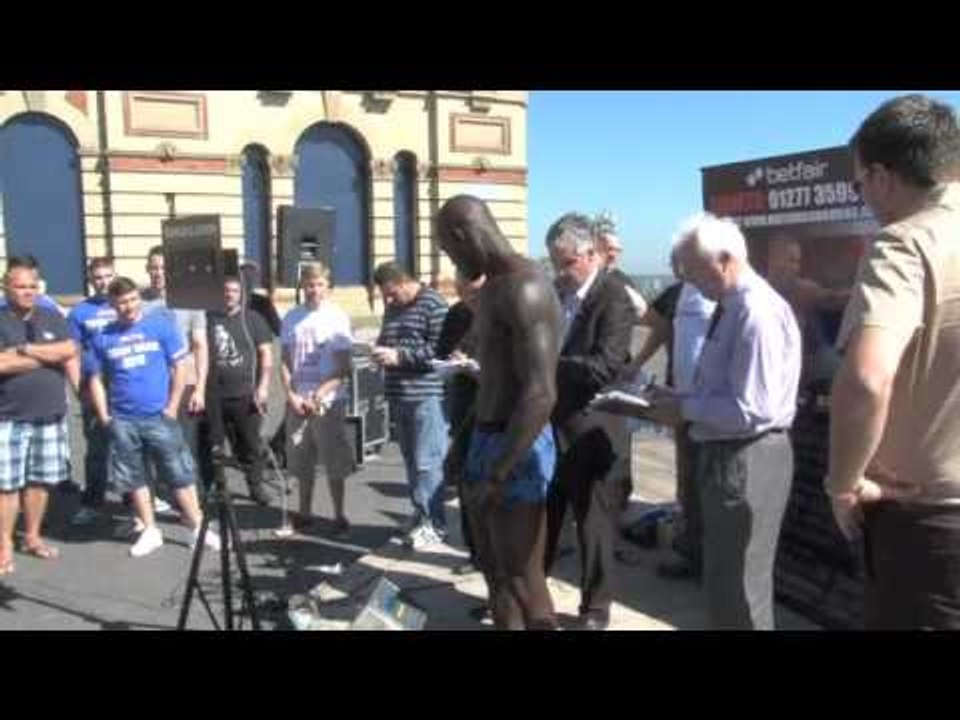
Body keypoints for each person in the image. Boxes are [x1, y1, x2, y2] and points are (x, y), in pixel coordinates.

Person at [828, 94, 960, 629]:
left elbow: (866, 377)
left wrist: (842, 483)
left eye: (859, 184)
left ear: (882, 176)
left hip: (931, 532)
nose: (864, 198)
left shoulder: (905, 244)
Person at [647, 213, 801, 630]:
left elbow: (754, 408)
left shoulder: (755, 311)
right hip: (729, 453)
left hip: (747, 456)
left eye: (694, 272)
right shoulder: (732, 305)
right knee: (722, 580)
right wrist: (679, 398)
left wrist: (686, 410)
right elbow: (726, 390)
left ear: (726, 259)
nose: (690, 283)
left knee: (739, 588)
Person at [437, 195, 563, 630]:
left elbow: (540, 393)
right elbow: (493, 381)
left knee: (523, 577)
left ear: (461, 235)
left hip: (518, 446)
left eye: (448, 249)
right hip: (486, 439)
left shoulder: (526, 287)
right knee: (495, 576)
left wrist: (498, 471)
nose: (450, 258)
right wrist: (464, 441)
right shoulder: (491, 289)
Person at [542, 212, 635, 631]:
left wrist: (546, 364)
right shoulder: (556, 293)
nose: (561, 271)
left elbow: (606, 366)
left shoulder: (614, 296)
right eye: (555, 263)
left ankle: (595, 609)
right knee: (543, 517)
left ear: (591, 253)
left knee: (592, 526)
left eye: (566, 262)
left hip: (592, 429)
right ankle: (532, 595)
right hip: (550, 425)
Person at [88, 277, 220, 558]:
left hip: (160, 416)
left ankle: (197, 527)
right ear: (112, 304)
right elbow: (96, 379)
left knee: (179, 472)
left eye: (133, 300)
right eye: (122, 302)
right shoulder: (104, 337)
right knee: (134, 476)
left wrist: (172, 406)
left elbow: (180, 364)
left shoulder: (160, 325)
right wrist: (104, 416)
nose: (129, 307)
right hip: (123, 420)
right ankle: (150, 530)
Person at [625, 246, 716, 580]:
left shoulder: (717, 292)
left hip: (713, 404)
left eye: (679, 260)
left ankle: (708, 558)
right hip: (681, 401)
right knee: (688, 481)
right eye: (673, 261)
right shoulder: (677, 293)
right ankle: (692, 554)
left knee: (709, 486)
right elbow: (656, 327)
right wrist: (636, 363)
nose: (675, 266)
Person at [0, 261, 77, 575]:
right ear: (6, 287)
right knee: (6, 486)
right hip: (8, 417)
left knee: (39, 481)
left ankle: (32, 536)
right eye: (20, 286)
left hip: (49, 414)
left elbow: (69, 349)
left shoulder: (51, 315)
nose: (28, 291)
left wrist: (25, 349)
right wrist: (47, 356)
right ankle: (4, 544)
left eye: (32, 285)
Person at [371, 262, 449, 549]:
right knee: (411, 462)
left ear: (404, 282)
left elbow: (440, 349)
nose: (389, 301)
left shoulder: (434, 304)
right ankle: (420, 514)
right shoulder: (393, 306)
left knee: (428, 461)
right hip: (398, 394)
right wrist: (377, 349)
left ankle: (436, 524)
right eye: (385, 296)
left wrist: (399, 357)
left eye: (392, 294)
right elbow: (387, 338)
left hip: (425, 396)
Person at [280, 262, 356, 538]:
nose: (314, 290)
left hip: (328, 402)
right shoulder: (291, 317)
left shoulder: (337, 318)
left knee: (333, 460)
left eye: (320, 284)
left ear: (328, 287)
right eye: (310, 284)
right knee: (300, 461)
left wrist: (319, 395)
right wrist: (290, 395)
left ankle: (339, 516)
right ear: (303, 286)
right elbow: (285, 362)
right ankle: (304, 513)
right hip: (298, 402)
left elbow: (342, 367)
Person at [141, 245, 208, 508]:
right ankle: (161, 495)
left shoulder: (191, 300)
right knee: (154, 443)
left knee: (186, 445)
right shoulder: (140, 301)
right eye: (154, 268)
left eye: (163, 268)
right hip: (153, 385)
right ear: (147, 270)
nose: (158, 273)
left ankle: (195, 502)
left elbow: (200, 346)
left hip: (186, 383)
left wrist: (200, 388)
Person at [199, 276, 274, 506]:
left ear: (241, 294)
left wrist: (262, 388)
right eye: (225, 290)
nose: (229, 294)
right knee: (212, 445)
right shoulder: (207, 318)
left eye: (234, 290)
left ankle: (255, 486)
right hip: (212, 396)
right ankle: (215, 487)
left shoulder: (253, 319)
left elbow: (266, 356)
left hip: (245, 395)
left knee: (250, 446)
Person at [435, 270, 486, 577]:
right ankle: (475, 552)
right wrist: (453, 359)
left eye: (474, 293)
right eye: (462, 292)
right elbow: (440, 350)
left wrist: (478, 366)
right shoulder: (456, 313)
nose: (468, 300)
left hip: (496, 406)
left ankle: (494, 554)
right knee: (467, 482)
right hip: (464, 404)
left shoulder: (502, 310)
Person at [68, 257, 119, 525]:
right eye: (98, 277)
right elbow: (72, 355)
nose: (103, 282)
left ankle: (134, 504)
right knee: (98, 449)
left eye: (108, 276)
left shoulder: (125, 305)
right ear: (90, 280)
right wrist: (79, 388)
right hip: (94, 388)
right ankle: (92, 503)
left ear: (115, 275)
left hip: (125, 388)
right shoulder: (79, 312)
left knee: (131, 447)